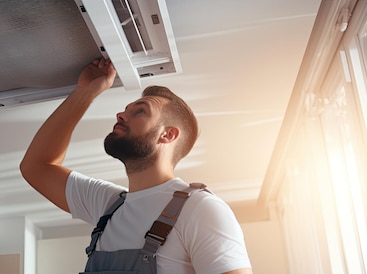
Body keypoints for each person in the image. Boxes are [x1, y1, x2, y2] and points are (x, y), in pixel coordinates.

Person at [20, 58, 252, 274]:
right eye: (126, 109)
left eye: (140, 111)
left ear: (167, 135)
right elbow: (37, 166)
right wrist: (85, 93)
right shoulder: (108, 205)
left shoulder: (201, 209)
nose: (120, 115)